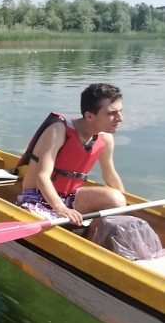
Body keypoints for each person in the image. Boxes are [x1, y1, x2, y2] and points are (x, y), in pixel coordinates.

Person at [16, 83, 126, 236]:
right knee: (45, 230)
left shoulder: (105, 138)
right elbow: (42, 177)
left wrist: (126, 206)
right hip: (38, 196)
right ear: (89, 116)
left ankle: (90, 240)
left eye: (120, 111)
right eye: (112, 113)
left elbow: (109, 174)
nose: (120, 118)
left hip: (71, 196)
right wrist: (61, 209)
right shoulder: (58, 131)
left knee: (117, 200)